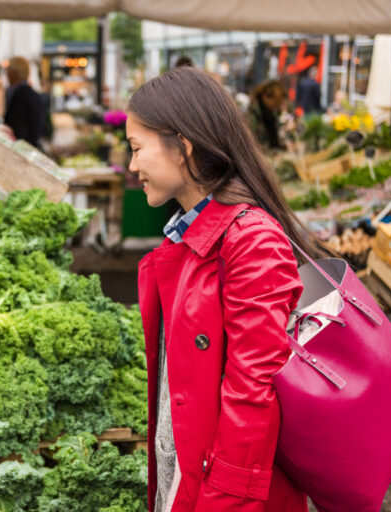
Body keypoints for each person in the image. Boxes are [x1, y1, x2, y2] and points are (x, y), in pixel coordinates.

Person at [126, 67, 323, 511]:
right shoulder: (193, 234)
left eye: (137, 149)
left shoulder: (251, 239)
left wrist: (222, 502)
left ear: (183, 147)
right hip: (192, 476)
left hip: (229, 494)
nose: (132, 165)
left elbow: (254, 394)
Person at [4, 56, 44, 148]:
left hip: (21, 147)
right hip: (28, 146)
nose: (7, 74)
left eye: (8, 71)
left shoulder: (19, 95)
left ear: (14, 73)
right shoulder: (31, 94)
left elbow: (16, 126)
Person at [248, 80, 287, 150]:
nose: (277, 106)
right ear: (265, 96)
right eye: (275, 102)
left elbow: (274, 142)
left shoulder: (270, 113)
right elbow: (253, 144)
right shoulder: (253, 115)